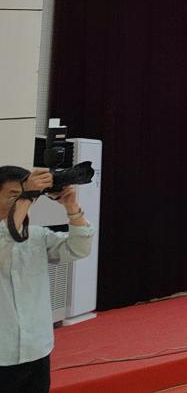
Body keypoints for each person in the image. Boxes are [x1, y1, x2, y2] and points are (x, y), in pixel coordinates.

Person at [1, 166, 94, 393]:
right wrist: (27, 196)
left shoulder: (36, 235)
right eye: (13, 196)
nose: (20, 202)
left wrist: (71, 207)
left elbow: (79, 248)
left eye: (24, 196)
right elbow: (5, 238)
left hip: (37, 348)